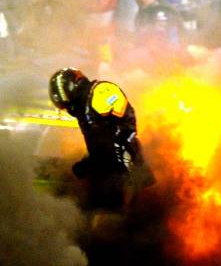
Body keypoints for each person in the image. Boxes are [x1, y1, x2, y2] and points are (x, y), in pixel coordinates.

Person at [49, 67, 154, 210]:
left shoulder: (101, 92)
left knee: (134, 211)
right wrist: (88, 163)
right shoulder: (84, 108)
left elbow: (120, 134)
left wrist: (91, 164)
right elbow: (99, 146)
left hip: (124, 170)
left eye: (67, 105)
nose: (68, 110)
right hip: (112, 172)